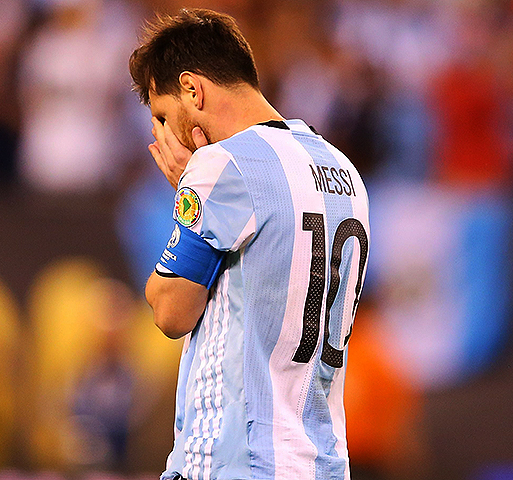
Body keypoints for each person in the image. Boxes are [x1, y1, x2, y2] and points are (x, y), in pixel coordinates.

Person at [129, 8, 370, 480]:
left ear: (193, 90)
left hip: (235, 461)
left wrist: (189, 191)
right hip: (322, 462)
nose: (159, 136)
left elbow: (170, 312)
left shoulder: (222, 166)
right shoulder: (345, 172)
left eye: (161, 115)